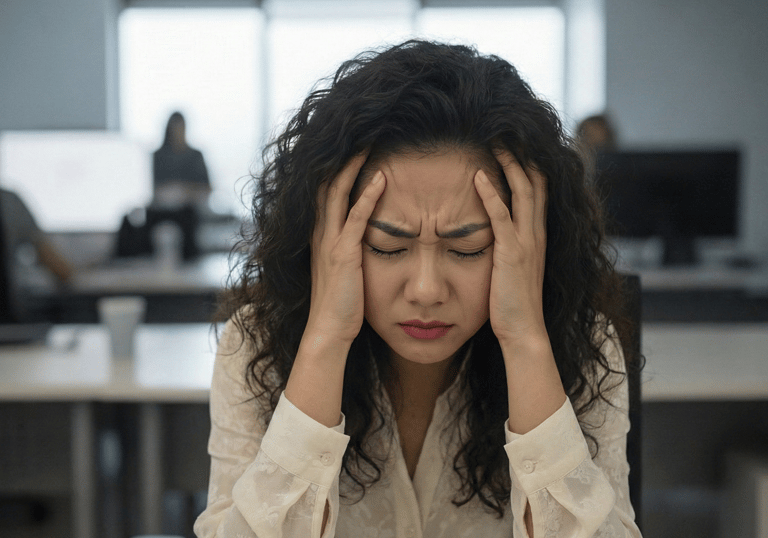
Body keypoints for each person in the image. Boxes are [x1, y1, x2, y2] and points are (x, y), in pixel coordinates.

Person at [195, 41, 642, 537]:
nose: (427, 290)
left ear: (530, 240)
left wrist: (525, 343)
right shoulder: (256, 343)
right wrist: (324, 340)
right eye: (388, 246)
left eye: (468, 249)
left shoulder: (581, 345)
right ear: (326, 238)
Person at [152, 111, 211, 208]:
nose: (177, 132)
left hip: (194, 210)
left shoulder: (195, 156)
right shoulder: (158, 156)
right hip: (164, 210)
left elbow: (207, 188)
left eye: (180, 128)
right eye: (175, 128)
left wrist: (185, 191)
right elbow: (154, 190)